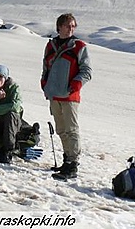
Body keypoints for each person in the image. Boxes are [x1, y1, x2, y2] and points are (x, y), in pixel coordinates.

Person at [41, 12, 92, 180]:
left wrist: (75, 85)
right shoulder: (51, 46)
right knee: (61, 130)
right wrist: (44, 83)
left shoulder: (79, 46)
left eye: (73, 26)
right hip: (55, 95)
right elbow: (45, 68)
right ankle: (67, 159)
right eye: (68, 25)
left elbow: (86, 71)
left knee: (71, 130)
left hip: (70, 97)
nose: (71, 28)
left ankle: (73, 163)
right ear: (59, 27)